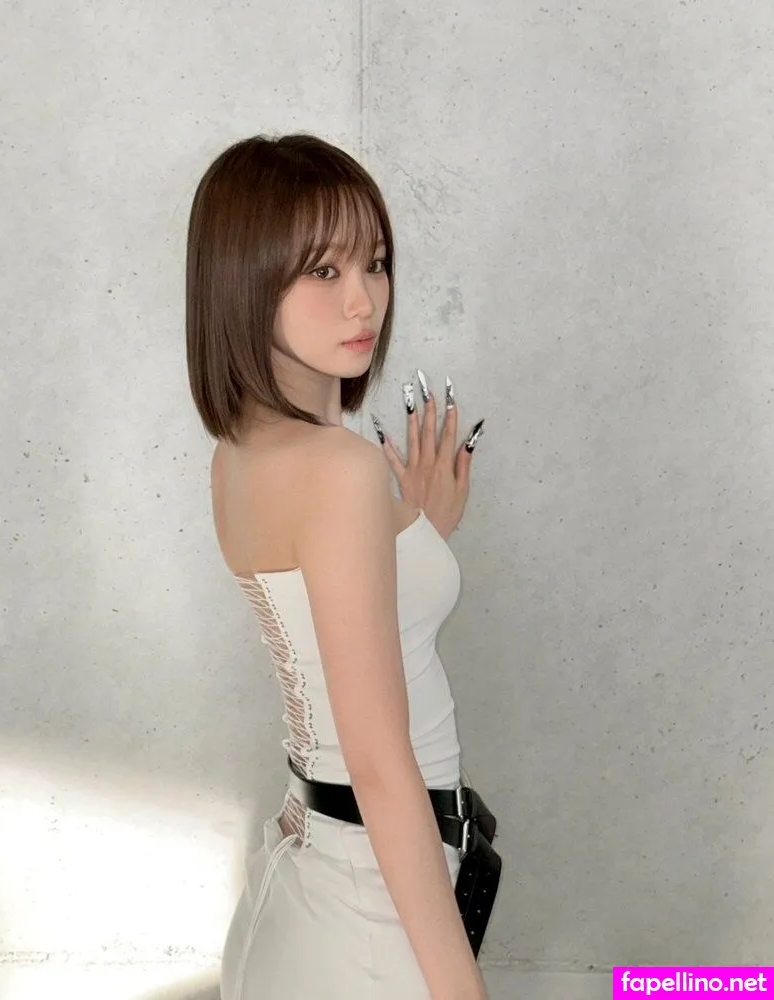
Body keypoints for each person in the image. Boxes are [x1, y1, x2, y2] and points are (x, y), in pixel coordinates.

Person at [185, 132, 489, 1000]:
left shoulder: (242, 452)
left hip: (311, 877)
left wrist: (417, 535)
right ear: (244, 280)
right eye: (322, 271)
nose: (363, 301)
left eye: (375, 263)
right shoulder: (340, 472)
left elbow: (326, 623)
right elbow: (380, 769)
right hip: (370, 908)